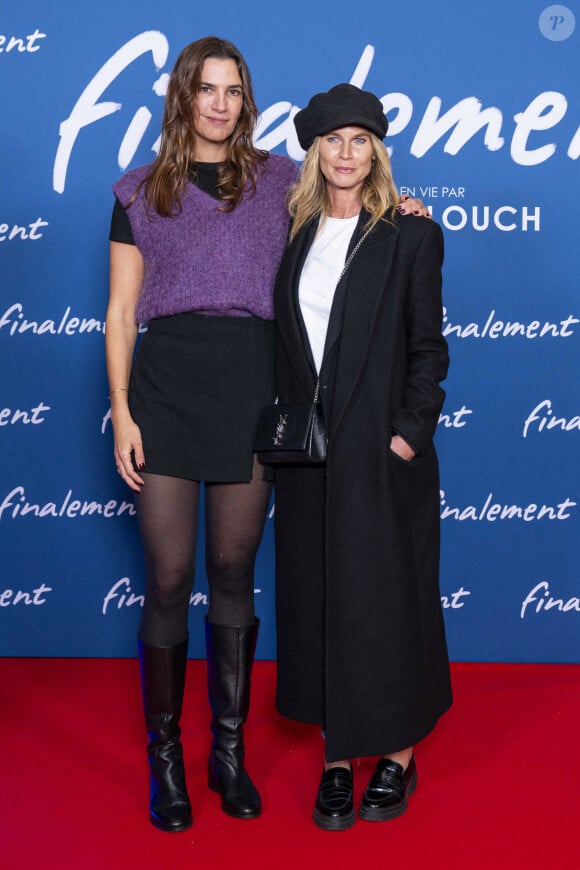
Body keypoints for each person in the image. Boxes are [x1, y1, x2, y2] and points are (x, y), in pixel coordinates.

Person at [106, 36, 428, 832]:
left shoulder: (283, 179)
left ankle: (227, 754)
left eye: (233, 90)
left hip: (256, 389)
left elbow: (353, 208)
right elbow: (119, 312)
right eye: (205, 89)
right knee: (172, 574)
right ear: (182, 97)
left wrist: (407, 210)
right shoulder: (139, 189)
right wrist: (122, 409)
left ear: (246, 102)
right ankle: (168, 764)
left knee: (231, 568)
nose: (219, 103)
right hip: (168, 386)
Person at [271, 83, 452, 831]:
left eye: (360, 140)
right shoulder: (295, 232)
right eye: (332, 141)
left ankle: (397, 755)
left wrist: (407, 433)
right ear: (314, 152)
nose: (346, 154)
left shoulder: (409, 234)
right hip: (309, 458)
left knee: (385, 602)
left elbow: (428, 350)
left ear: (376, 151)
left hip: (381, 453)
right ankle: (337, 760)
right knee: (317, 601)